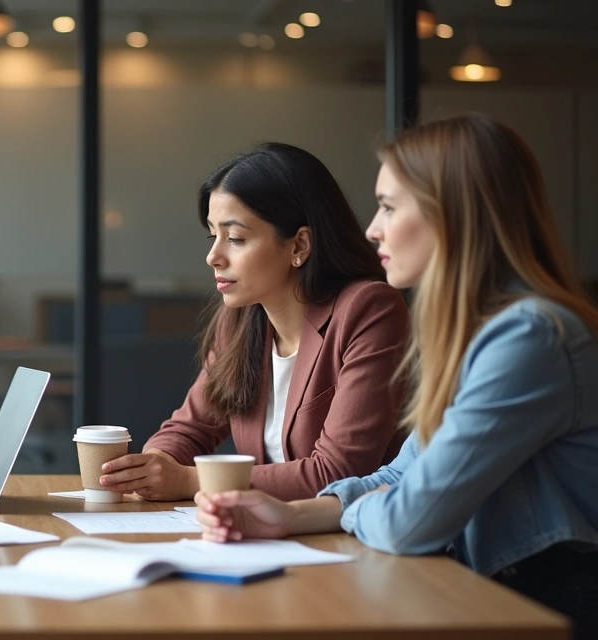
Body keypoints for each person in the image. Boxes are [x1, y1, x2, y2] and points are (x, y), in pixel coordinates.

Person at [195, 115, 598, 636]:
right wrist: (290, 516)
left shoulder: (529, 337)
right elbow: (399, 476)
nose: (372, 229)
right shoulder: (476, 332)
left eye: (388, 206)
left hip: (545, 606)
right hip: (492, 590)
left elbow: (411, 519)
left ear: (452, 213)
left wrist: (349, 511)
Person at [99, 143, 409, 502]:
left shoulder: (368, 309)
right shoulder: (241, 320)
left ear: (299, 246)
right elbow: (189, 429)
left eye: (235, 238)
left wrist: (190, 480)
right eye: (213, 235)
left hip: (350, 530)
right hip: (264, 527)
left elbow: (339, 472)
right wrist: (156, 464)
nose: (213, 256)